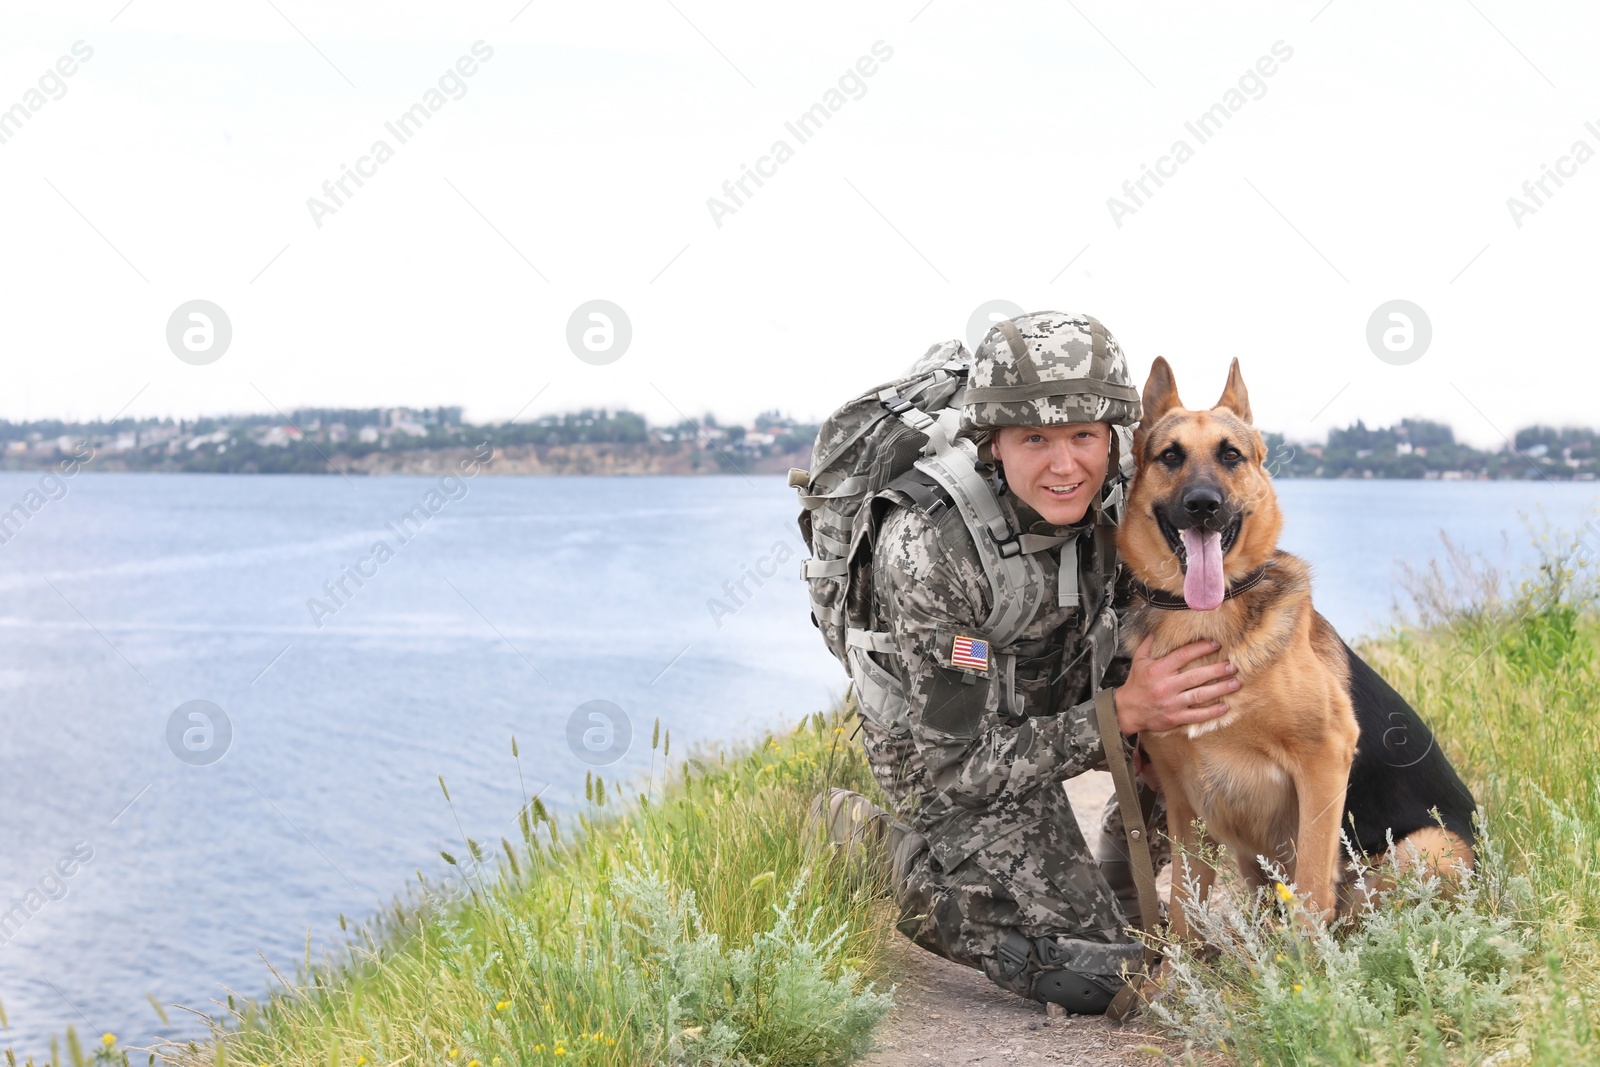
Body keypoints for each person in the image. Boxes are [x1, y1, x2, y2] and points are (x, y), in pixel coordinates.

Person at [812, 312, 1238, 1011]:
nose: (1064, 464)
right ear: (993, 443)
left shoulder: (1135, 483)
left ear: (1113, 438)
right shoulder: (933, 547)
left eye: (1082, 436)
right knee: (1103, 976)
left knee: (1208, 725)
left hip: (1059, 683)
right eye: (1034, 438)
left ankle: (1118, 880)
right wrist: (1122, 714)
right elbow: (965, 766)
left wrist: (1148, 722)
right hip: (947, 747)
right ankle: (868, 846)